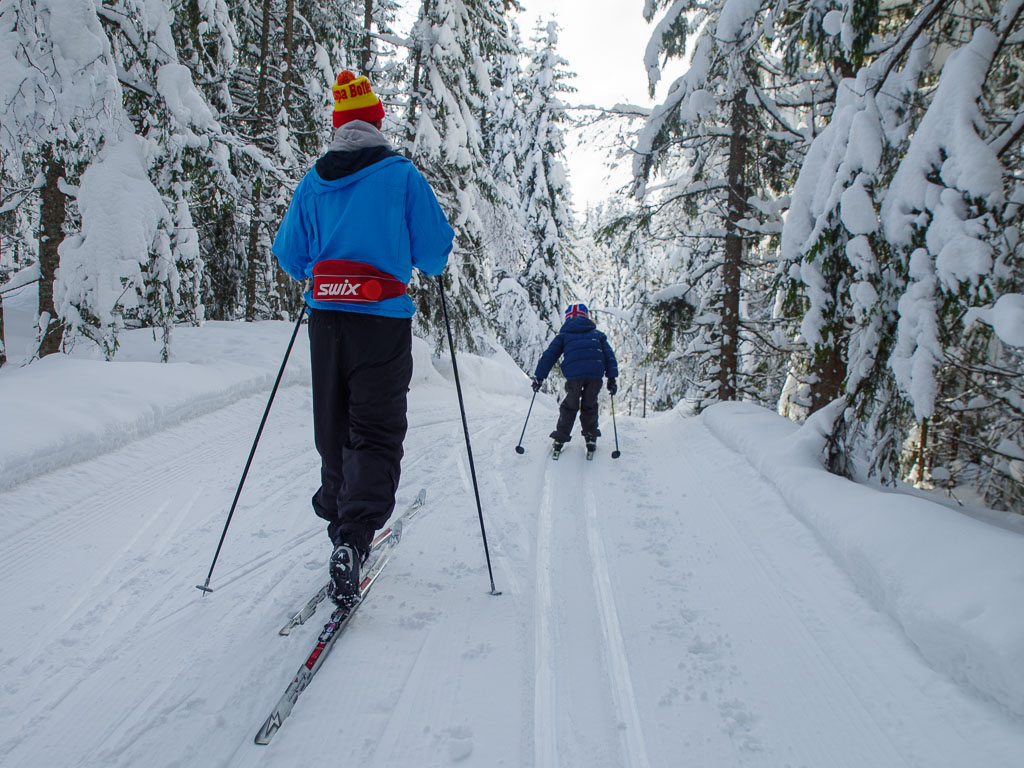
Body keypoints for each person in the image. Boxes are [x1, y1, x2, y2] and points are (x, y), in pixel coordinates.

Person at [272, 70, 454, 607]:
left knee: (333, 422)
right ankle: (354, 537)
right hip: (381, 319)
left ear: (338, 129)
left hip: (326, 320)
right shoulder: (400, 176)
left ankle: (340, 526)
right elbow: (435, 252)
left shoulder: (313, 180)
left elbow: (289, 256)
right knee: (373, 428)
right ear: (376, 123)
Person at [532, 303, 619, 452]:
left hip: (574, 374)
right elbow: (609, 356)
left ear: (568, 319)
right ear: (586, 318)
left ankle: (560, 437)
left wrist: (539, 377)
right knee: (589, 404)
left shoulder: (564, 336)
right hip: (595, 373)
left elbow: (549, 356)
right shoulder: (598, 335)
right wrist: (611, 378)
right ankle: (591, 436)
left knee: (570, 405)